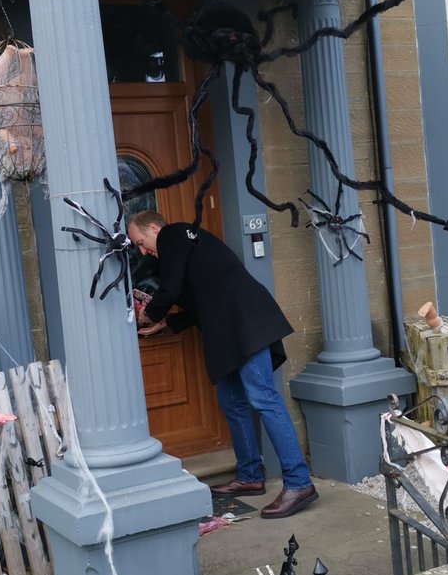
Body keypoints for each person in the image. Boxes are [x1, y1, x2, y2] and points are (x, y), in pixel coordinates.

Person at [127, 211, 318, 519]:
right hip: (229, 330)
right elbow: (197, 302)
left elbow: (170, 290)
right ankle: (250, 476)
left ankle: (298, 482)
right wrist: (166, 322)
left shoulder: (174, 233)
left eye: (140, 242)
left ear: (153, 228)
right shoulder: (184, 249)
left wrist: (148, 313)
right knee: (231, 401)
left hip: (245, 324)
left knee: (263, 398)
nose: (142, 251)